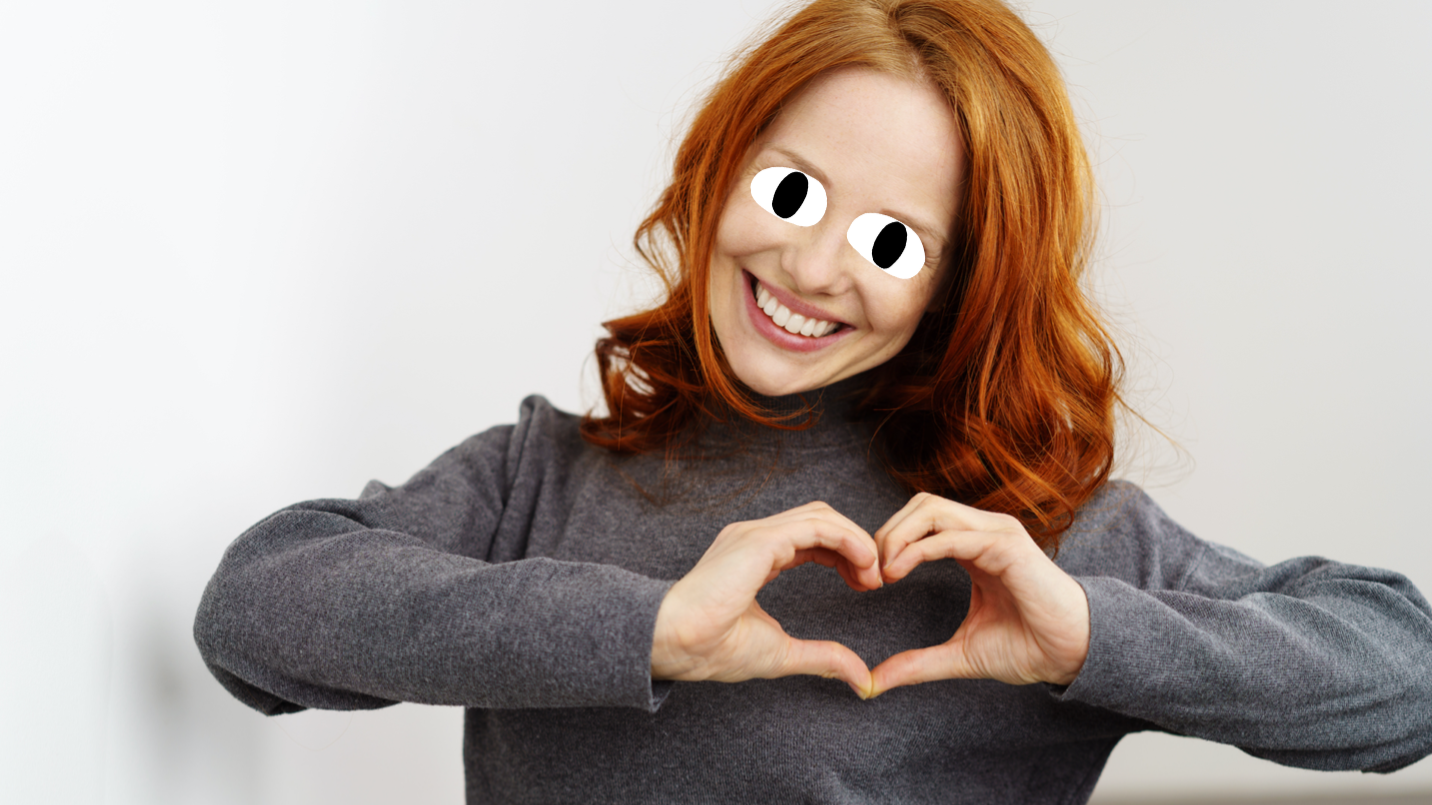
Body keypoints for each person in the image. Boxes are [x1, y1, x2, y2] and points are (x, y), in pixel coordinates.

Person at [193, 0, 1432, 802]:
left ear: (961, 285)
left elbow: (1404, 674)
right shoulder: (542, 474)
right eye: (791, 191)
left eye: (893, 241)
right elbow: (255, 610)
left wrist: (1092, 639)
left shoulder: (1036, 539)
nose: (813, 261)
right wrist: (644, 628)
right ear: (720, 169)